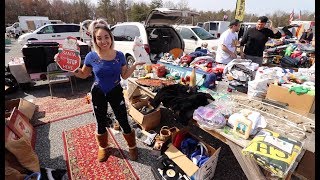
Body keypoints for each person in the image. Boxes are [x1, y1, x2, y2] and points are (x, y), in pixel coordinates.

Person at [55, 19, 145, 162]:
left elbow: (124, 75)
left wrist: (134, 65)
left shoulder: (120, 55)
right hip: (98, 92)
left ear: (111, 37)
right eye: (99, 38)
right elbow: (84, 74)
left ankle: (132, 146)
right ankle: (103, 147)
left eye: (106, 37)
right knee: (100, 121)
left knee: (123, 120)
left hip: (115, 90)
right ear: (95, 40)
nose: (103, 41)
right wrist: (69, 67)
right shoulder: (91, 56)